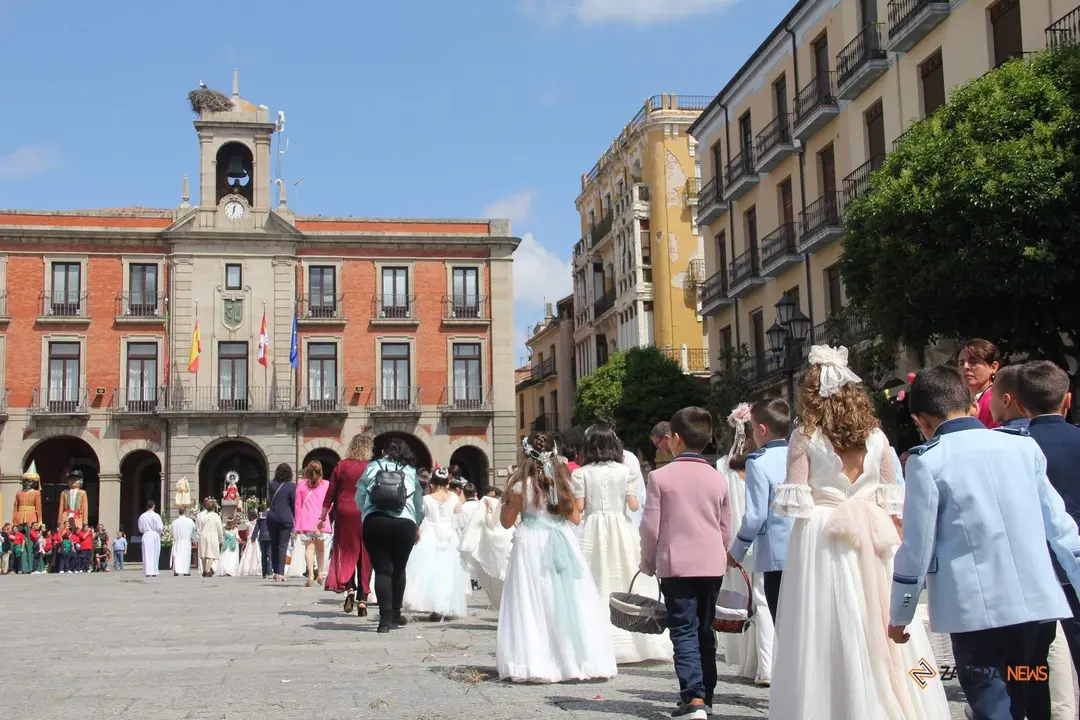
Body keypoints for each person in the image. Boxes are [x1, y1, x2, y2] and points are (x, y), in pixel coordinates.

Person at [888, 365, 1080, 720]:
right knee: (1019, 695)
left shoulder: (927, 462)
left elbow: (916, 549)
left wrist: (901, 613)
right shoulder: (1023, 447)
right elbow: (1061, 528)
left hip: (974, 611)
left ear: (921, 421)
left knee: (991, 703)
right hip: (1032, 606)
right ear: (973, 406)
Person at [768, 345, 950, 719]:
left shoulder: (805, 437)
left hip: (823, 535)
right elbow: (891, 500)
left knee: (826, 624)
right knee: (883, 617)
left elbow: (796, 497)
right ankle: (916, 693)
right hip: (872, 531)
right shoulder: (878, 438)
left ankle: (838, 704)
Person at [497, 431, 616, 683]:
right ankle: (573, 660)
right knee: (568, 599)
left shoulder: (521, 487)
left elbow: (507, 523)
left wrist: (505, 505)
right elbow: (575, 518)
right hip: (562, 540)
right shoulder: (563, 484)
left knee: (534, 601)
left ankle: (538, 661)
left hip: (530, 544)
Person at [640, 407, 731, 719]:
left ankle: (693, 698)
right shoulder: (718, 478)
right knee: (706, 630)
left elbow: (650, 526)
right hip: (712, 564)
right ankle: (708, 692)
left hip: (676, 563)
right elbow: (725, 527)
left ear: (674, 439)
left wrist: (647, 559)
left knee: (683, 629)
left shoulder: (659, 477)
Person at [572, 422, 672, 665]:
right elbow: (634, 505)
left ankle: (598, 642)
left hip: (593, 528)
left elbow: (579, 508)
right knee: (627, 577)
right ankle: (637, 636)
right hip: (620, 526)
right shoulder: (625, 471)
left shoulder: (580, 473)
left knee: (594, 579)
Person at [1015, 360, 1080, 717]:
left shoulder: (1014, 449)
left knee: (1034, 661)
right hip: (1077, 561)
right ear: (1067, 400)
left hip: (1033, 569)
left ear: (1021, 407)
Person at [715, 402, 772, 685]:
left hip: (735, 543)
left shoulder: (720, 467)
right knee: (765, 600)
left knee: (746, 601)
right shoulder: (767, 461)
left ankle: (756, 662)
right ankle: (767, 663)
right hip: (763, 539)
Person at [727, 398, 794, 622]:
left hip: (776, 554)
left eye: (753, 428)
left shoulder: (757, 462)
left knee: (782, 623)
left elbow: (756, 516)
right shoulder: (801, 455)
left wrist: (736, 551)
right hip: (806, 547)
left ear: (762, 430)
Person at [356, 438, 425, 633]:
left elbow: (360, 496)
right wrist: (417, 523)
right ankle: (395, 614)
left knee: (382, 570)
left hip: (375, 522)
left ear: (384, 451)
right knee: (399, 568)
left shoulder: (372, 467)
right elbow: (418, 503)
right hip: (404, 524)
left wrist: (367, 513)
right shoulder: (410, 471)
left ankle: (384, 620)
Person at [403, 468, 470, 618]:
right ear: (447, 483)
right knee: (448, 571)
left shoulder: (426, 499)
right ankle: (445, 605)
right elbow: (461, 519)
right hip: (449, 536)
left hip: (430, 534)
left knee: (430, 571)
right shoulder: (453, 498)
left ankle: (434, 605)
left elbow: (419, 517)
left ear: (432, 483)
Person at [320, 434, 375, 616]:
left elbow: (330, 493)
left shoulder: (341, 465)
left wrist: (322, 516)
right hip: (365, 512)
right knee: (365, 554)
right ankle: (362, 599)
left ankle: (350, 589)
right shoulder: (371, 467)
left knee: (346, 551)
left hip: (344, 511)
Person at [459, 484, 514, 611]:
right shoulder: (507, 501)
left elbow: (488, 523)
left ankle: (503, 606)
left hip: (495, 542)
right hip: (509, 538)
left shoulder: (486, 502)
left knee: (496, 577)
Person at [295, 460, 330, 588]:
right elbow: (329, 504)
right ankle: (320, 573)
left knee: (309, 549)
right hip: (321, 521)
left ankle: (310, 575)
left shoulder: (301, 485)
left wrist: (298, 525)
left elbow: (297, 506)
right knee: (320, 548)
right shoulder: (326, 484)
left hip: (306, 520)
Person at [958, 338, 1001, 429]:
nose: (966, 367)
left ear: (993, 367)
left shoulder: (995, 400)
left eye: (973, 362)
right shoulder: (963, 401)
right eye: (961, 363)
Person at [266, 464, 297, 582]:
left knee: (274, 544)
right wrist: (296, 518)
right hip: (285, 518)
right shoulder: (291, 486)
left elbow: (269, 500)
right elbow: (293, 504)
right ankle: (281, 572)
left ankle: (274, 571)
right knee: (283, 545)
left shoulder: (271, 484)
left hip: (272, 517)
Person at [195, 498, 224, 578]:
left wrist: (198, 536)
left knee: (204, 554)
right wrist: (221, 538)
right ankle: (207, 570)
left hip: (203, 535)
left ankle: (204, 569)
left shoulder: (199, 515)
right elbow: (219, 528)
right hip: (213, 535)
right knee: (211, 554)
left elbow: (197, 528)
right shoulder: (216, 516)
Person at [137, 501, 163, 578]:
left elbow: (140, 528)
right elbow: (160, 527)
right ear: (153, 506)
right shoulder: (156, 516)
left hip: (146, 534)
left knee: (146, 553)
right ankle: (154, 571)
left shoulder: (142, 516)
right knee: (155, 553)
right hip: (155, 534)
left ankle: (148, 571)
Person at [237, 508, 263, 576]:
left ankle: (246, 569)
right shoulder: (258, 521)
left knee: (248, 554)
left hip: (250, 539)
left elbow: (247, 533)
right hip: (256, 538)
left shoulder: (248, 523)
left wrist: (248, 537)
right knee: (256, 553)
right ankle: (257, 568)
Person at [170, 510, 195, 577]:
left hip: (178, 541)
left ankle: (176, 570)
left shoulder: (175, 522)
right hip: (186, 541)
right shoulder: (190, 521)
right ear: (185, 512)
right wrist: (192, 537)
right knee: (186, 556)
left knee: (177, 556)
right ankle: (186, 571)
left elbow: (171, 532)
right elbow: (193, 530)